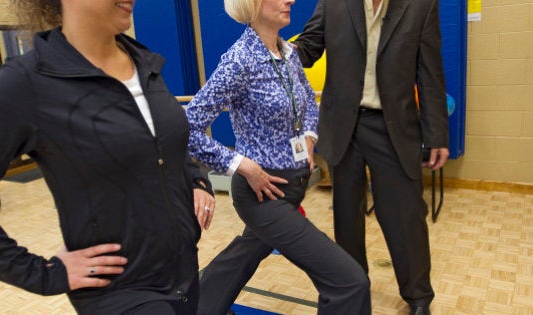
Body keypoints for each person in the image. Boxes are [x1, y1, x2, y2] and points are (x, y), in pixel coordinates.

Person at [0, 0, 216, 313]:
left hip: (182, 275)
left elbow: (164, 144)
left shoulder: (144, 64)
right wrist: (44, 274)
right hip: (121, 293)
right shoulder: (27, 82)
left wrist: (197, 179)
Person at [186, 0, 371, 314]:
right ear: (253, 5)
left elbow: (309, 103)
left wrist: (309, 138)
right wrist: (240, 164)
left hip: (294, 184)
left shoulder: (289, 54)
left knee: (244, 254)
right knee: (349, 282)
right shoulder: (240, 60)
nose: (291, 0)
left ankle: (199, 307)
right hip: (262, 194)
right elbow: (187, 127)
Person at [292, 0, 450, 314]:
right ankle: (353, 288)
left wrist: (437, 135)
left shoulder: (421, 6)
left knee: (406, 216)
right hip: (342, 126)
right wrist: (272, 46)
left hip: (394, 127)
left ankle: (418, 297)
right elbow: (308, 48)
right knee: (347, 217)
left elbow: (430, 74)